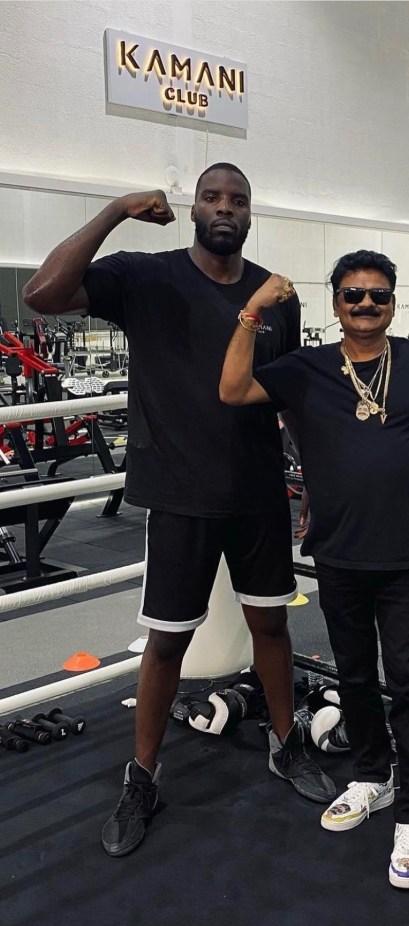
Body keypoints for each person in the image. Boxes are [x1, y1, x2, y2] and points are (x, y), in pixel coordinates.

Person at [22, 162, 336, 858]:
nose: (225, 209)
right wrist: (114, 210)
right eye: (213, 198)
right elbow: (41, 294)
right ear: (195, 209)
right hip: (179, 497)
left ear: (251, 214)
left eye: (238, 200)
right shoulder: (145, 276)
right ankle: (140, 777)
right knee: (167, 642)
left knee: (272, 630)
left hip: (257, 494)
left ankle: (286, 747)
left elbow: (284, 397)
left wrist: (310, 477)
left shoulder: (274, 296)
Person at [220, 249, 409, 888]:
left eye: (378, 296)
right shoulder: (308, 368)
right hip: (338, 551)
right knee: (357, 678)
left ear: (393, 303)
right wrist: (252, 310)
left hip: (403, 554)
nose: (365, 306)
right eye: (353, 296)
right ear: (335, 302)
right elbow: (232, 389)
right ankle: (373, 776)